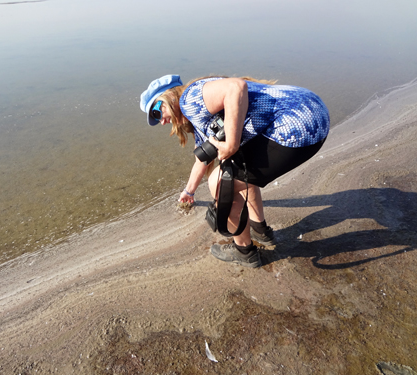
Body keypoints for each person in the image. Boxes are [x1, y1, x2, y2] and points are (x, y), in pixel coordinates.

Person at [140, 74, 330, 268]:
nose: (161, 122)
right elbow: (202, 159)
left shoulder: (190, 98)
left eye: (156, 113)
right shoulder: (198, 114)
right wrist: (189, 192)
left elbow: (236, 87)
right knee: (240, 167)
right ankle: (260, 230)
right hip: (314, 111)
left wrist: (231, 144)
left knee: (220, 183)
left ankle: (244, 251)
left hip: (298, 124)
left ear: (169, 97)